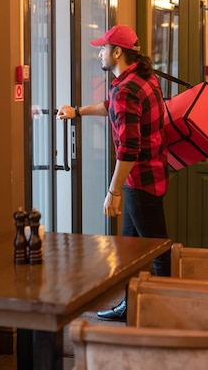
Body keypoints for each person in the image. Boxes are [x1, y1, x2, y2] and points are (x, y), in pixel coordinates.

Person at [57, 25, 171, 322]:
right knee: (130, 252)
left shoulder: (126, 89)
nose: (100, 53)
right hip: (154, 174)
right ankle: (130, 306)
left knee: (156, 249)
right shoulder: (144, 80)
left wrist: (113, 191)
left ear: (117, 52)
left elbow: (128, 149)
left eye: (103, 48)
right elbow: (111, 107)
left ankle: (170, 308)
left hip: (138, 182)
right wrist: (78, 111)